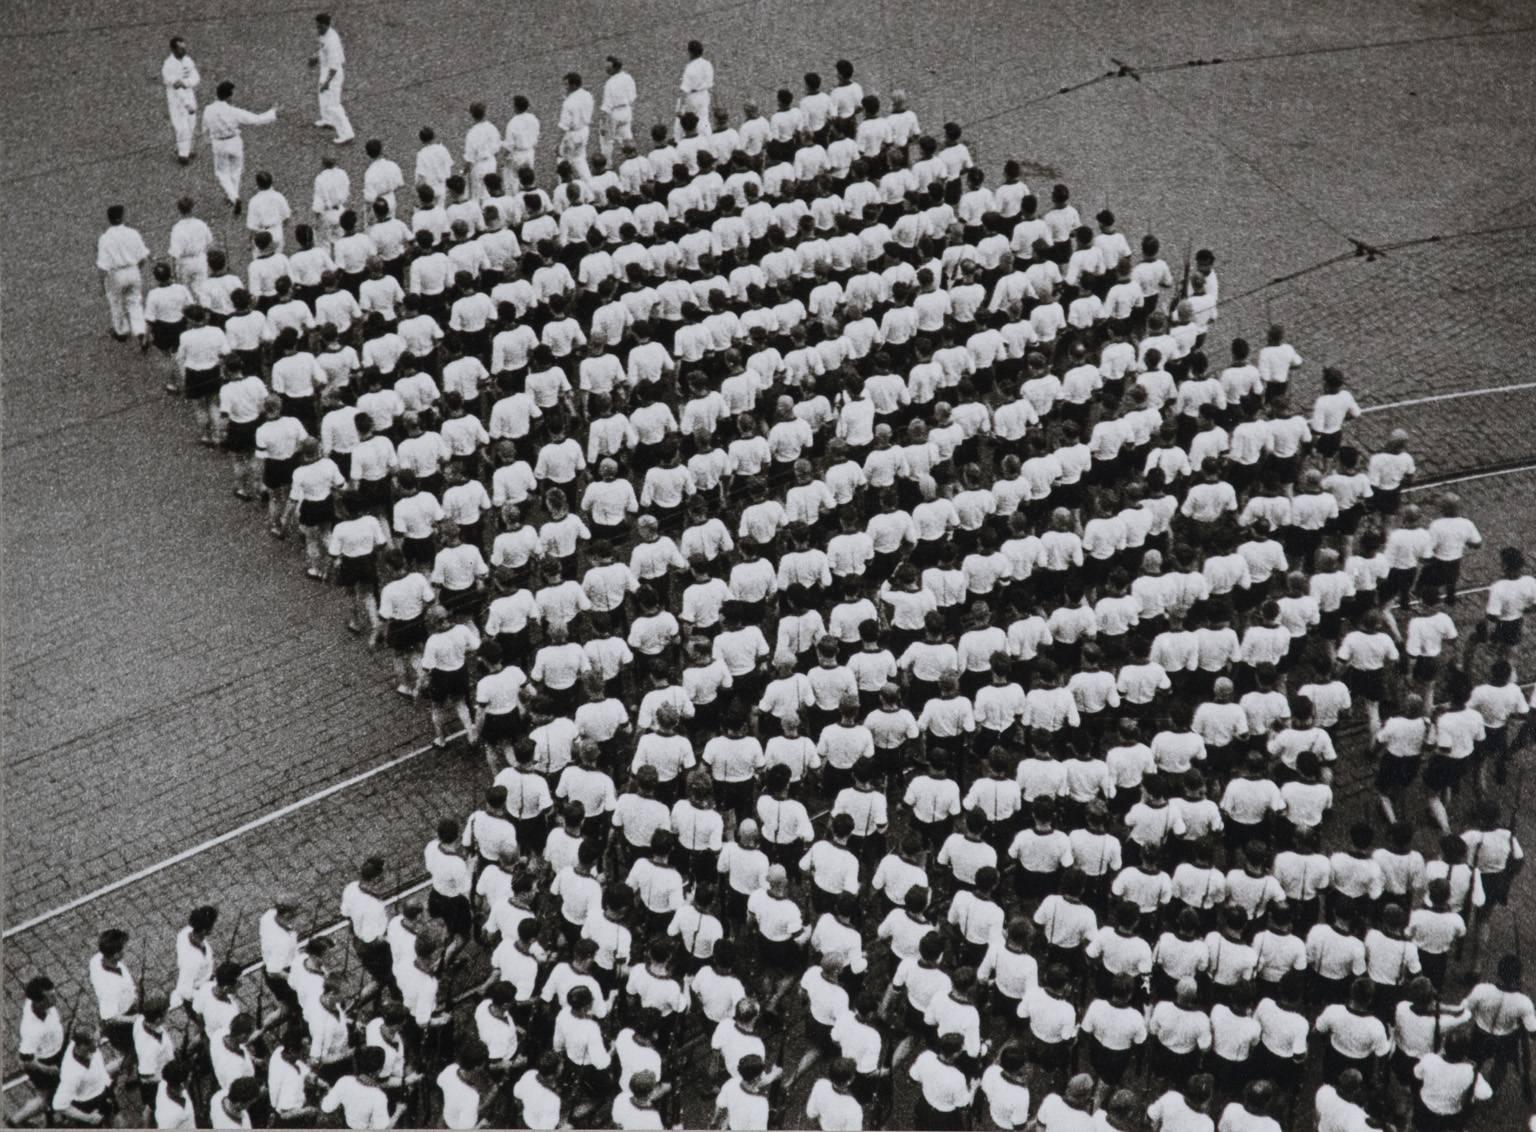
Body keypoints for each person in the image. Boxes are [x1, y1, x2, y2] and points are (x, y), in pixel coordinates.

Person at [202, 81, 278, 212]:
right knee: (236, 170)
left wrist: (206, 139)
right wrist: (273, 112)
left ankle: (233, 196)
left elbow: (204, 128)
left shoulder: (208, 109)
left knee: (222, 172)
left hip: (219, 143)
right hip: (234, 142)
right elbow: (256, 119)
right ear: (229, 96)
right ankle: (234, 195)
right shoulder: (233, 111)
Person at [96, 204, 151, 344]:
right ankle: (140, 331)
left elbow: (102, 266)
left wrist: (102, 284)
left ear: (109, 219)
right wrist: (137, 270)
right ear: (122, 217)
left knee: (116, 303)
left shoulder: (105, 238)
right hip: (133, 270)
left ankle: (121, 330)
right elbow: (143, 257)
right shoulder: (133, 233)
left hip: (116, 274)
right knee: (134, 302)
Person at [310, 12, 355, 144]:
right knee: (322, 96)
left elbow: (334, 68)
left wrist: (327, 83)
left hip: (332, 75)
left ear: (326, 25)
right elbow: (322, 49)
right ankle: (328, 119)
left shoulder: (332, 41)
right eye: (317, 26)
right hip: (325, 69)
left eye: (320, 27)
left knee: (333, 105)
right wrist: (316, 57)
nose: (317, 29)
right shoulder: (324, 34)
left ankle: (347, 133)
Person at [161, 36, 201, 164]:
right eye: (180, 48)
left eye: (184, 48)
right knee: (181, 126)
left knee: (191, 124)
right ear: (173, 49)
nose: (183, 51)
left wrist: (185, 83)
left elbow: (196, 78)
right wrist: (186, 104)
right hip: (176, 100)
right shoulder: (168, 65)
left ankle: (185, 149)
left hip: (189, 94)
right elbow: (176, 87)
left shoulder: (188, 61)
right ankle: (183, 155)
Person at [559, 72, 595, 182]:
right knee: (579, 158)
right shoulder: (587, 95)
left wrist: (558, 142)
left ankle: (563, 185)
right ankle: (589, 182)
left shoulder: (568, 103)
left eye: (566, 85)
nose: (564, 87)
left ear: (573, 85)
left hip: (572, 134)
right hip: (584, 130)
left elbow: (564, 126)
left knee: (562, 161)